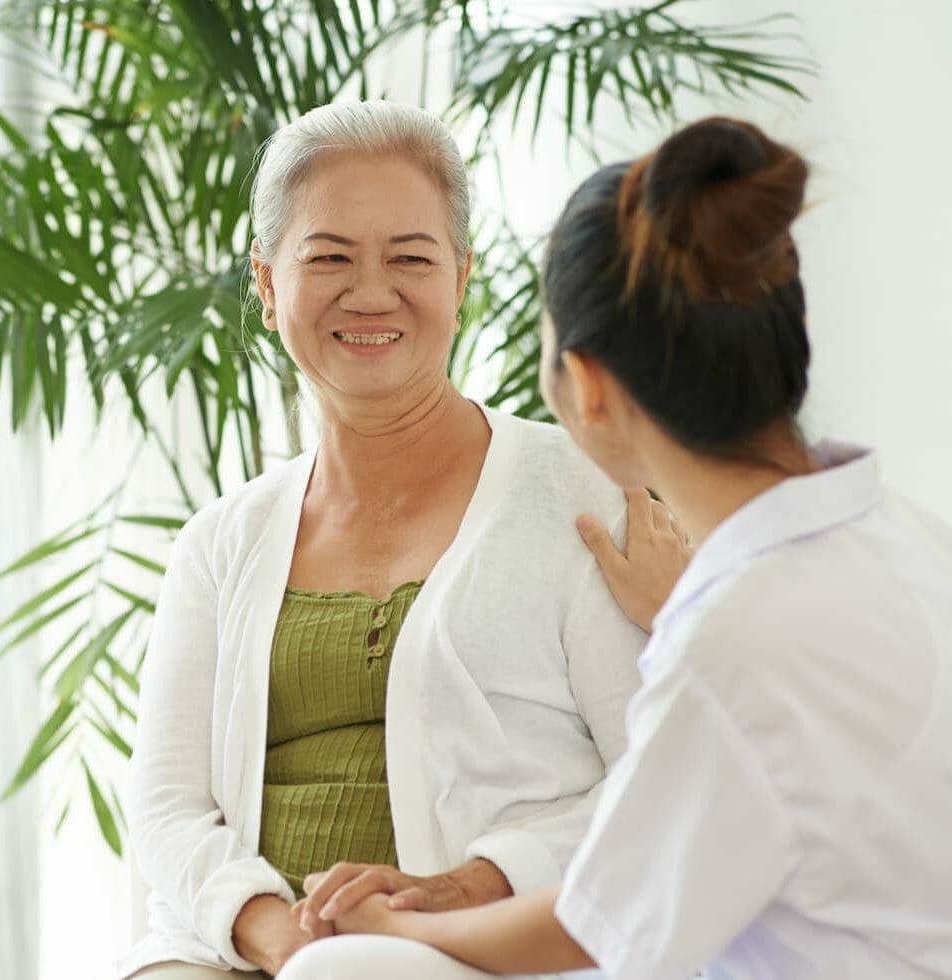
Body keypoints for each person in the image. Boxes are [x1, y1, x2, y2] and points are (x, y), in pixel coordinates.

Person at [301, 117, 952, 978]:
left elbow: (592, 929)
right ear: (787, 325)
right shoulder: (918, 543)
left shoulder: (741, 638)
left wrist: (393, 933)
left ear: (587, 387)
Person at [116, 100, 673, 980]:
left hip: (493, 949)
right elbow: (164, 809)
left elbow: (660, 778)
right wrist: (271, 932)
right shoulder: (221, 540)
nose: (369, 293)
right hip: (241, 956)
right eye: (328, 257)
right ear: (267, 286)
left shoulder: (588, 496)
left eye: (409, 258)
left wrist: (460, 890)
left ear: (460, 279)